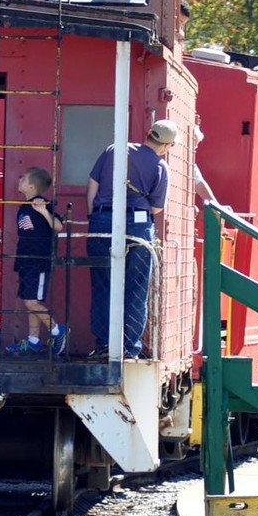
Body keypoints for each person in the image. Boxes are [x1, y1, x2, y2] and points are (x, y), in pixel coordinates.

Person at [86, 119, 177, 358]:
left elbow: (92, 185)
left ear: (148, 133)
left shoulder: (115, 149)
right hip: (138, 226)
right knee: (136, 287)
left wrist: (94, 216)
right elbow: (157, 208)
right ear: (167, 146)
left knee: (102, 283)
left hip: (103, 220)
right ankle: (128, 348)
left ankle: (104, 344)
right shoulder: (160, 167)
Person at [6, 167, 67, 355]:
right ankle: (33, 340)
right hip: (26, 260)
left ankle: (57, 330)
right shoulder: (24, 206)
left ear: (32, 186)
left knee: (32, 301)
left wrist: (43, 212)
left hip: (38, 260)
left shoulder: (42, 204)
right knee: (29, 300)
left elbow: (58, 226)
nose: (20, 179)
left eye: (23, 178)